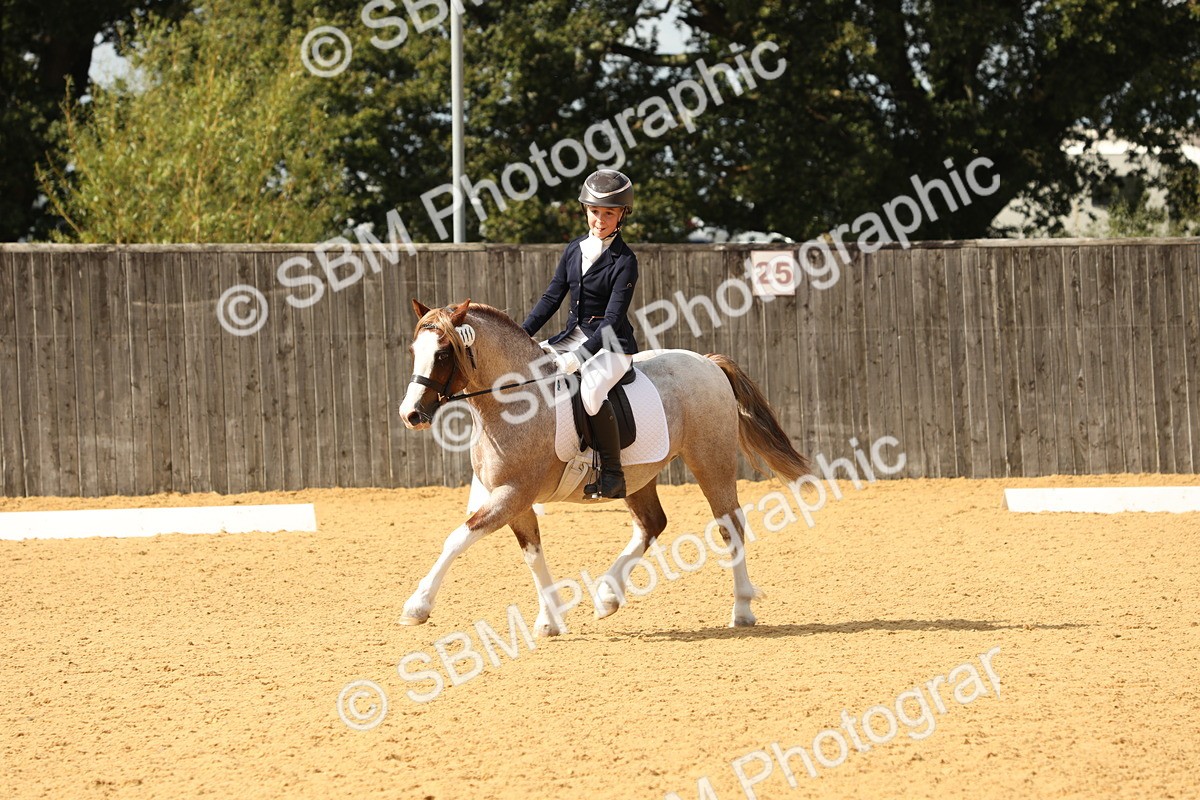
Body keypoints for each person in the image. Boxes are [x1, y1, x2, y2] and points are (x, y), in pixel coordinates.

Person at [521, 169, 639, 499]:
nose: (599, 220)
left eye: (609, 213)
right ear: (585, 210)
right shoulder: (574, 249)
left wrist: (580, 357)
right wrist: (521, 335)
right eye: (594, 211)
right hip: (573, 335)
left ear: (621, 216)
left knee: (590, 392)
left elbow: (613, 320)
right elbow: (551, 297)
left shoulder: (625, 261)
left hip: (613, 346)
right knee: (531, 371)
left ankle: (613, 475)